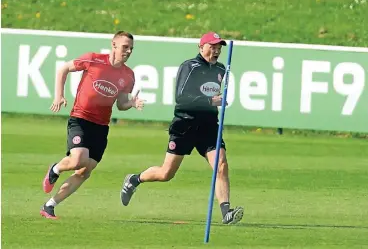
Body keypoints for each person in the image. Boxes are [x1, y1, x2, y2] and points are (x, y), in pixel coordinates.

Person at [120, 32, 244, 225]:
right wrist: (211, 100)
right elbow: (182, 98)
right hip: (185, 124)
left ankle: (226, 212)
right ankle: (134, 180)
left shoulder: (220, 69)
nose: (216, 50)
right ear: (201, 47)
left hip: (209, 127)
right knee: (166, 173)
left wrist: (219, 101)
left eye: (219, 47)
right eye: (212, 46)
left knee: (221, 165)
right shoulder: (190, 67)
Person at [40, 31, 145, 220]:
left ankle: (49, 206)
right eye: (125, 47)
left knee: (84, 171)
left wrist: (132, 103)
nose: (128, 51)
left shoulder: (128, 75)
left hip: (101, 126)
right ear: (113, 45)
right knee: (78, 159)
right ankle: (55, 169)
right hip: (81, 118)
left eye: (131, 48)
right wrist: (59, 95)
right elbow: (63, 69)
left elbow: (121, 104)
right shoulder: (93, 59)